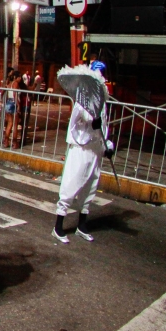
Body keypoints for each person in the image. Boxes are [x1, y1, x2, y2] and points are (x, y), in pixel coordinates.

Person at [54, 67, 113, 244]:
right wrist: (88, 127)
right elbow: (73, 128)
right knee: (72, 184)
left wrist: (107, 147)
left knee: (90, 187)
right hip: (81, 150)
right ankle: (58, 226)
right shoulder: (82, 103)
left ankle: (82, 225)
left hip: (95, 152)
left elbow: (104, 130)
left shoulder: (103, 105)